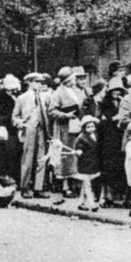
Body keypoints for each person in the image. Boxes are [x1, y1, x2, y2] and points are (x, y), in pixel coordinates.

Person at [47, 66, 83, 203]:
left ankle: (75, 183)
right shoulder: (58, 93)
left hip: (75, 125)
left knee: (75, 153)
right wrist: (65, 115)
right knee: (65, 155)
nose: (75, 79)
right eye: (73, 77)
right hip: (64, 127)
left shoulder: (75, 90)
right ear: (68, 80)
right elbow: (51, 111)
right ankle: (65, 186)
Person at [12, 72, 50, 199]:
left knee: (41, 159)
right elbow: (14, 117)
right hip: (29, 130)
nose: (39, 84)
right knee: (27, 159)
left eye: (41, 82)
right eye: (37, 82)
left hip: (42, 130)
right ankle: (25, 187)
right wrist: (21, 123)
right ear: (30, 82)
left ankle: (39, 188)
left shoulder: (43, 97)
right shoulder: (22, 98)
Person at [98, 77, 128, 208]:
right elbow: (103, 121)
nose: (117, 92)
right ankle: (107, 195)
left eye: (119, 90)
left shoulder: (123, 102)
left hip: (119, 138)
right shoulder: (104, 103)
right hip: (108, 140)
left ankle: (116, 194)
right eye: (114, 90)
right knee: (108, 167)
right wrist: (115, 118)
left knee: (118, 166)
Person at [73, 116, 101, 212]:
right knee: (88, 184)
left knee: (86, 184)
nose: (91, 128)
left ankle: (80, 203)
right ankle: (92, 204)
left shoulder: (96, 135)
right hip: (85, 163)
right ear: (84, 128)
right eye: (88, 127)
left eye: (92, 126)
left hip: (93, 163)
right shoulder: (81, 138)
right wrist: (79, 151)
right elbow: (78, 147)